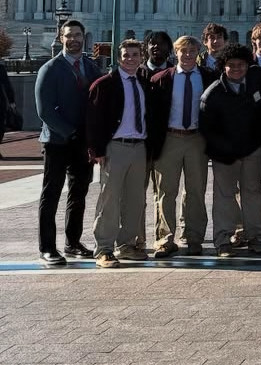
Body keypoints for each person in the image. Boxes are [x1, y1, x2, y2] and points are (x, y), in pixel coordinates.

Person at [35, 19, 102, 266]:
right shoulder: (50, 68)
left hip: (82, 141)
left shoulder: (91, 67)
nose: (73, 39)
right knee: (51, 193)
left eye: (77, 35)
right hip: (57, 141)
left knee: (79, 192)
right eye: (68, 35)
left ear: (84, 37)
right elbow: (44, 111)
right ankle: (47, 247)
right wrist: (69, 132)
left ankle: (72, 242)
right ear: (61, 38)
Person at [87, 39, 151, 268]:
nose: (130, 59)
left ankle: (126, 244)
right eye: (126, 55)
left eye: (135, 54)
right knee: (110, 199)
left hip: (139, 147)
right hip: (116, 146)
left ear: (141, 57)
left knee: (135, 200)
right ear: (118, 57)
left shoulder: (144, 83)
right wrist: (97, 150)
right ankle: (104, 248)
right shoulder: (105, 84)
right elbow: (93, 120)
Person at [199, 43, 261, 256]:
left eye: (241, 64)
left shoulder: (255, 83)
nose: (236, 68)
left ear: (248, 65)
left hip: (251, 150)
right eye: (231, 65)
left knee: (253, 195)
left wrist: (257, 142)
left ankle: (257, 236)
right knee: (224, 198)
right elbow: (207, 129)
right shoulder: (212, 94)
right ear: (223, 66)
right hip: (225, 155)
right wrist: (224, 149)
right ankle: (223, 240)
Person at [145, 34, 209, 257]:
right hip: (170, 138)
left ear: (198, 53)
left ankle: (194, 237)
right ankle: (164, 238)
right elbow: (151, 115)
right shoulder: (162, 79)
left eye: (192, 51)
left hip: (197, 138)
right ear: (176, 53)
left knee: (196, 191)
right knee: (165, 191)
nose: (188, 55)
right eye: (183, 51)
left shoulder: (209, 77)